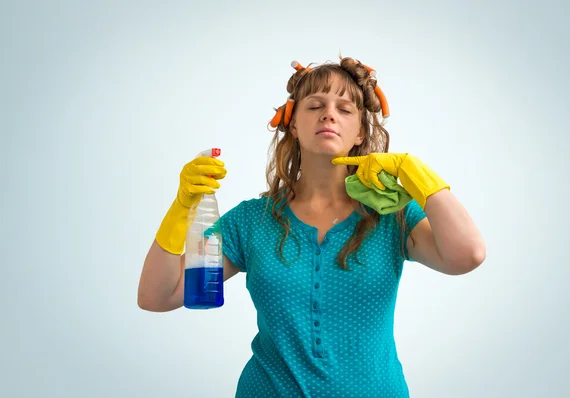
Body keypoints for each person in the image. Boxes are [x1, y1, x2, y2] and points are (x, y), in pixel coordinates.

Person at [138, 56, 486, 397]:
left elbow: (467, 255)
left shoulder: (392, 215)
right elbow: (158, 296)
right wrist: (182, 206)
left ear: (362, 132)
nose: (328, 114)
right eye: (315, 105)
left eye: (345, 109)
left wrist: (417, 176)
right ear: (292, 124)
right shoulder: (251, 220)